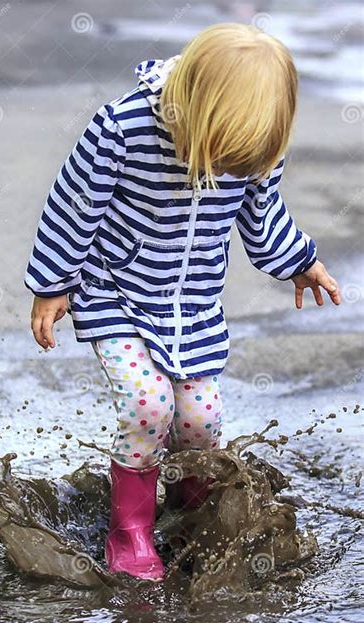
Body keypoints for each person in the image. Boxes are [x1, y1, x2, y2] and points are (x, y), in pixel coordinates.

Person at [24, 23, 341, 581]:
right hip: (114, 289)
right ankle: (130, 529)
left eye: (239, 166)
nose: (226, 172)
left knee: (201, 419)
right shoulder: (122, 128)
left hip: (190, 303)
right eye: (220, 157)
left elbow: (262, 217)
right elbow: (73, 207)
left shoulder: (256, 140)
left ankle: (193, 507)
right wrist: (54, 284)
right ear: (195, 110)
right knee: (149, 406)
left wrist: (301, 261)